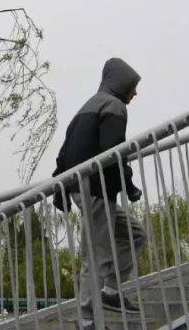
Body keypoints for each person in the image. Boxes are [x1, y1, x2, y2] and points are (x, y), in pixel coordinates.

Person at [52, 57, 147, 320]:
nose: (135, 93)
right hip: (95, 187)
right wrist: (128, 184)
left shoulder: (85, 108)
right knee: (95, 253)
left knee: (135, 234)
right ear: (121, 83)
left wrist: (60, 188)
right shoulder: (114, 106)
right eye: (133, 86)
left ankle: (111, 290)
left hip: (85, 187)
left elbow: (64, 152)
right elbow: (113, 151)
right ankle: (87, 319)